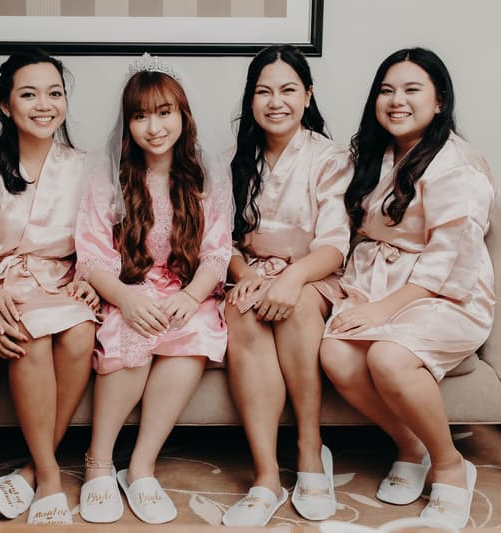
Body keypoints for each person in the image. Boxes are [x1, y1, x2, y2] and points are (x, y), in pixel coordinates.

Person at [320, 47, 495, 530]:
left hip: (443, 295)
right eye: (386, 90)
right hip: (375, 282)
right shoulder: (374, 153)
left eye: (412, 90)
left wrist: (384, 310)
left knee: (387, 357)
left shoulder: (456, 164)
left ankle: (450, 464)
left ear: (439, 101)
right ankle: (411, 444)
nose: (396, 100)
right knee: (334, 353)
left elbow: (451, 260)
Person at [75, 54, 232, 525]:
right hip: (128, 286)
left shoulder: (208, 175)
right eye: (140, 116)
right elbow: (92, 253)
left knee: (199, 329)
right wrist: (126, 297)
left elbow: (217, 252)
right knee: (130, 329)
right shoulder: (109, 175)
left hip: (188, 289)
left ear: (183, 115)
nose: (154, 126)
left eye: (165, 112)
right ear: (127, 123)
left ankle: (141, 466)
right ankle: (98, 463)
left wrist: (189, 297)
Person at [0, 50, 98, 526]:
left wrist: (92, 278)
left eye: (55, 93)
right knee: (30, 334)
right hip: (6, 285)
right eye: (29, 94)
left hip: (66, 282)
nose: (44, 104)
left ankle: (33, 467)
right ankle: (51, 476)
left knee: (80, 333)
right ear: (5, 106)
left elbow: (102, 239)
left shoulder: (87, 168)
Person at [221, 44, 352, 527]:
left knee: (295, 308)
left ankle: (310, 449)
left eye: (288, 90)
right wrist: (248, 277)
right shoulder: (233, 161)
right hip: (252, 272)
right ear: (251, 100)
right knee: (238, 313)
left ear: (307, 95)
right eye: (264, 91)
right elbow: (222, 242)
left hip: (314, 272)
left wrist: (292, 277)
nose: (276, 101)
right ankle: (266, 474)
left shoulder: (331, 157)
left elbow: (336, 245)